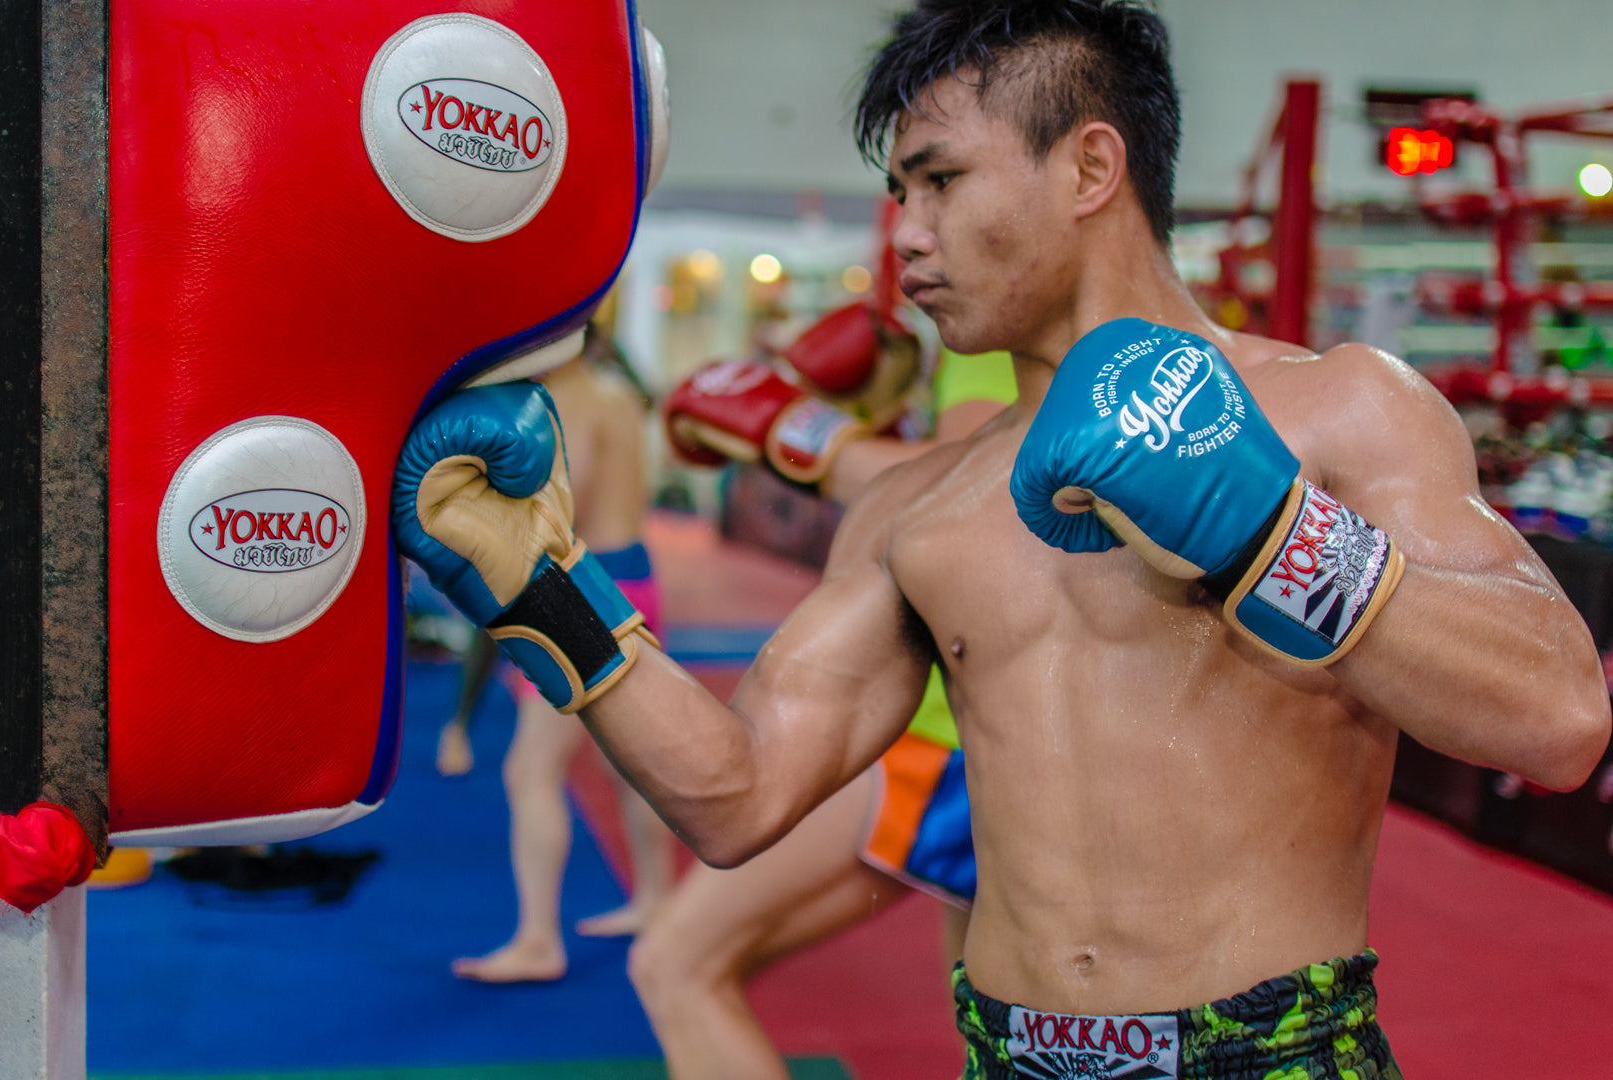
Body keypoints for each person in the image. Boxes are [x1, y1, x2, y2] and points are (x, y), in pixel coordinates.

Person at [394, 2, 1611, 1074]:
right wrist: (543, 585)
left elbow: (1556, 721)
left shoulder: (1339, 406)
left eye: (937, 180)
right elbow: (736, 796)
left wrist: (1266, 531)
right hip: (1009, 1058)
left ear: (1088, 166)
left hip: (1274, 1056)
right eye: (895, 194)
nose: (905, 236)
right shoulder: (915, 505)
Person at [631, 340, 1014, 1080]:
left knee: (676, 963)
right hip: (976, 729)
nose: (913, 236)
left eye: (931, 212)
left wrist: (791, 427)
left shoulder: (998, 333)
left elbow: (963, 486)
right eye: (906, 212)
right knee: (991, 1042)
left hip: (933, 736)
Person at [447, 332, 680, 982]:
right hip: (633, 577)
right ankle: (656, 900)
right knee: (627, 764)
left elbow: (556, 504)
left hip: (580, 586)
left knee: (529, 771)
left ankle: (537, 941)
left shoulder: (562, 398)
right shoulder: (617, 392)